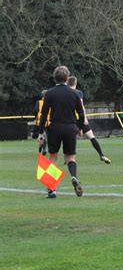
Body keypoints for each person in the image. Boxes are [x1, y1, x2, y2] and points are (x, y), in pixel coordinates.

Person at [38, 66, 85, 198]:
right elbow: (81, 114)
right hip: (70, 128)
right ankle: (74, 177)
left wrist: (41, 133)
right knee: (70, 157)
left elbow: (44, 114)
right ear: (67, 77)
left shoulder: (50, 93)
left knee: (53, 158)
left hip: (55, 128)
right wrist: (79, 128)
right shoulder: (74, 93)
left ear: (55, 78)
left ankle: (52, 190)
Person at [67, 76, 111, 163]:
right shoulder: (78, 92)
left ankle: (70, 159)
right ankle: (101, 155)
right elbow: (81, 106)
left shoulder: (66, 93)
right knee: (92, 137)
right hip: (81, 118)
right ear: (75, 83)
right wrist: (85, 118)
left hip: (71, 120)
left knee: (72, 140)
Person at [32, 90, 49, 155]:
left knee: (40, 136)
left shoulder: (39, 102)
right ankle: (42, 150)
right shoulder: (50, 102)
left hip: (40, 121)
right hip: (48, 122)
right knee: (44, 136)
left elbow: (35, 111)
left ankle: (42, 150)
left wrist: (35, 117)